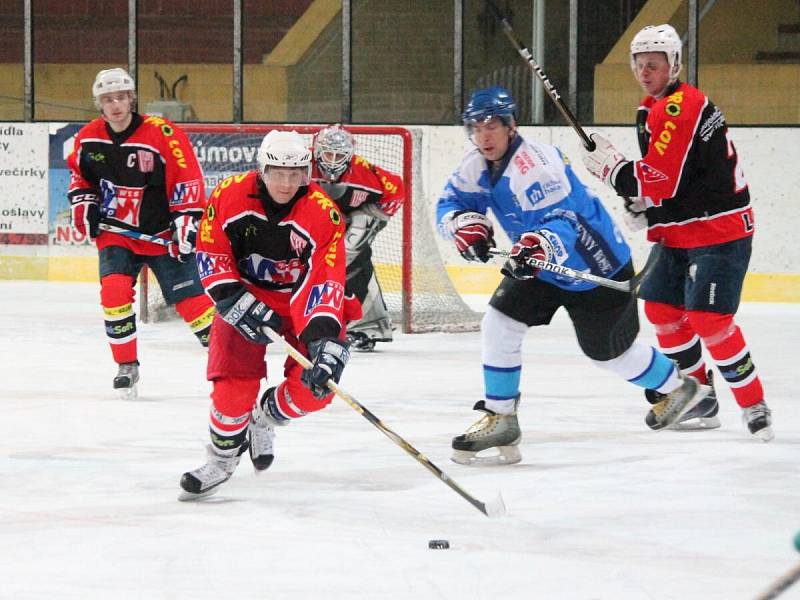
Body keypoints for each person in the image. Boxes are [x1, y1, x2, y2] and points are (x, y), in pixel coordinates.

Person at [436, 86, 709, 466]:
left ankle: (677, 387)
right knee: (499, 322)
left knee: (608, 354)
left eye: (492, 126)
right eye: (475, 127)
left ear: (511, 126)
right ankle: (501, 416)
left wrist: (537, 247)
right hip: (542, 265)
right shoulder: (477, 164)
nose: (483, 135)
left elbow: (565, 221)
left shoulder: (535, 166)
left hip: (595, 265)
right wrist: (464, 223)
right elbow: (452, 202)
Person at [580, 24, 772, 442]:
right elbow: (680, 179)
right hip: (682, 231)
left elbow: (661, 179)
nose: (646, 72)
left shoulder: (679, 106)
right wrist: (647, 209)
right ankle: (700, 398)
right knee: (663, 312)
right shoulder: (651, 107)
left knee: (709, 319)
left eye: (654, 64)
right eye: (639, 65)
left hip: (719, 230)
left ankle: (753, 402)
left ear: (674, 64)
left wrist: (616, 171)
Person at [179, 130, 354, 500]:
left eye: (295, 174)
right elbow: (211, 253)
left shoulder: (323, 214)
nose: (286, 183)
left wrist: (323, 339)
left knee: (315, 390)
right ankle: (222, 461)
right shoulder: (229, 194)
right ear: (262, 169)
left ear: (307, 173)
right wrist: (232, 298)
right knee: (231, 392)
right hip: (246, 295)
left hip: (300, 305)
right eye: (278, 173)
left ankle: (264, 418)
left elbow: (323, 278)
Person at [67, 68, 215, 399]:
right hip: (117, 234)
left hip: (162, 234)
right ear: (99, 104)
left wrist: (185, 222)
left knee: (194, 305)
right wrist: (85, 204)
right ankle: (126, 365)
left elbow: (187, 178)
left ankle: (228, 364)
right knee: (114, 293)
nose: (115, 104)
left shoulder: (162, 132)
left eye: (120, 97)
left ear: (132, 99)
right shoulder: (88, 138)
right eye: (107, 99)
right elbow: (81, 179)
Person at [311, 124, 405, 351]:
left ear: (350, 156)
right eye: (328, 154)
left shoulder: (365, 173)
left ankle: (369, 325)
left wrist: (370, 217)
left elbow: (397, 190)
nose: (333, 161)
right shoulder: (301, 167)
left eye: (339, 155)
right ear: (316, 152)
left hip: (347, 223)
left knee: (354, 257)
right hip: (308, 223)